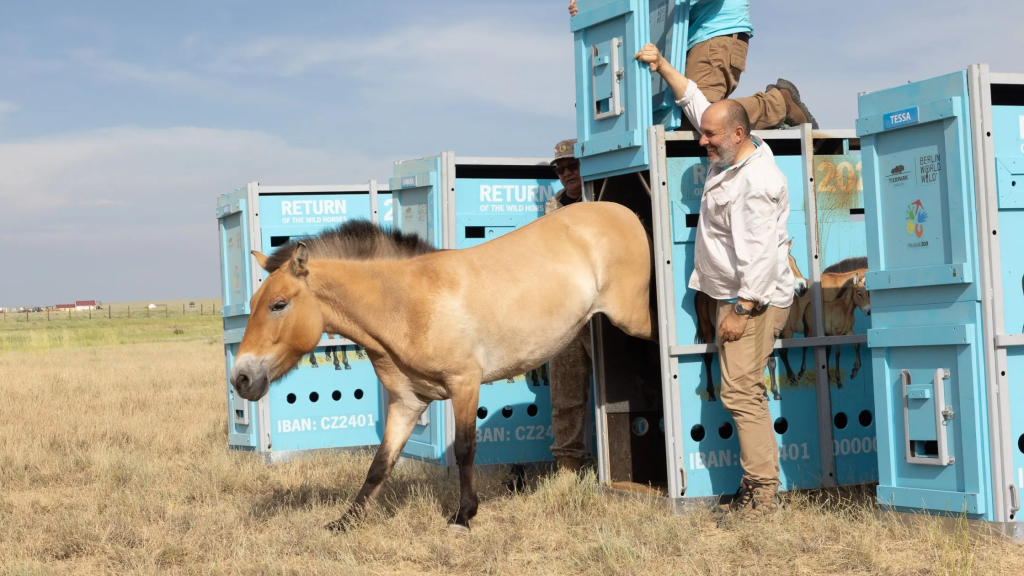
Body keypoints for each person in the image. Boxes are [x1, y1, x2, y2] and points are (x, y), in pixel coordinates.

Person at [635, 45, 794, 520]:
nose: (701, 141)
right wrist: (661, 65)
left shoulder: (756, 182)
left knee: (742, 392)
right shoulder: (731, 146)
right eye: (704, 134)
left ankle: (764, 495)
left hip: (753, 300)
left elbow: (761, 256)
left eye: (709, 137)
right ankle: (756, 486)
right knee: (739, 390)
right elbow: (695, 101)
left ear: (738, 134)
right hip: (732, 294)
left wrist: (742, 310)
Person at [568, 0, 816, 129]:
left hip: (716, 36)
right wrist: (590, 7)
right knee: (684, 117)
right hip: (696, 40)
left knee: (704, 116)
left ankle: (778, 104)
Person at [543, 138, 594, 474]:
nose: (566, 173)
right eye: (560, 169)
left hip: (605, 313)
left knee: (622, 384)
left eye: (572, 166)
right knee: (565, 392)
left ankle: (625, 461)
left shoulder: (602, 200)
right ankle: (567, 466)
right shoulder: (552, 210)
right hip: (566, 314)